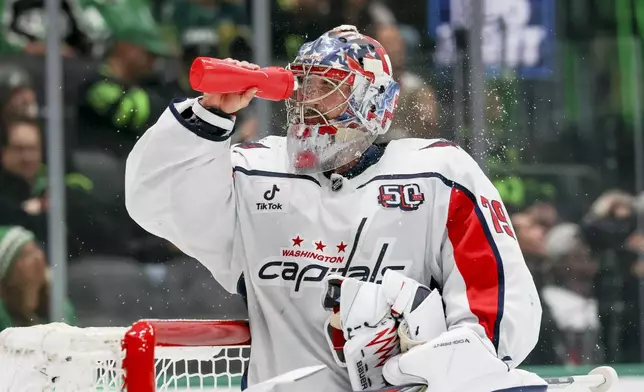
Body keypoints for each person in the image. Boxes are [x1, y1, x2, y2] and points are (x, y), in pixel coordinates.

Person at [125, 25, 543, 392]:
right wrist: (209, 114)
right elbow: (154, 199)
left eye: (327, 87)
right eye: (303, 84)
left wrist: (436, 371)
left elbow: (496, 310)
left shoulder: (438, 176)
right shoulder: (255, 171)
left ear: (374, 102)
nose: (307, 101)